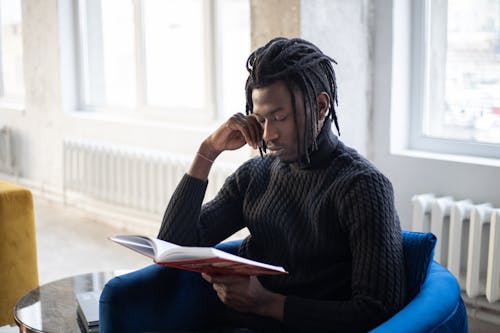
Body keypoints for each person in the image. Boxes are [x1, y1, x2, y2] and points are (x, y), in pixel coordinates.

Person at [157, 37, 406, 332]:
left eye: (280, 117)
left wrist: (266, 303)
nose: (268, 134)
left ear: (322, 106)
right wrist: (207, 151)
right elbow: (173, 247)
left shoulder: (363, 187)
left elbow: (378, 310)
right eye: (260, 119)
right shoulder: (253, 176)